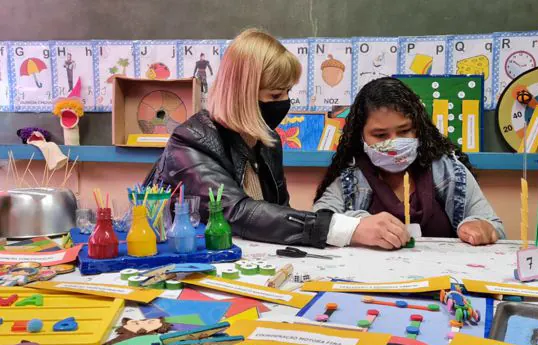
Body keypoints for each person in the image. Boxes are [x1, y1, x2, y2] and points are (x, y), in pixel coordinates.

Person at [144, 29, 332, 248]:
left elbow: (279, 213)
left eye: (288, 92)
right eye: (275, 95)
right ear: (243, 94)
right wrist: (334, 229)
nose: (285, 102)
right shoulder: (190, 141)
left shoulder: (267, 141)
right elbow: (237, 212)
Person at [313, 77, 505, 250]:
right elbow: (315, 222)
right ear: (361, 136)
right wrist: (355, 227)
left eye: (405, 131)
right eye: (380, 135)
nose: (394, 143)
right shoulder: (351, 179)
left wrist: (481, 227)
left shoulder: (447, 170)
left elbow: (494, 226)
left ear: (418, 128)